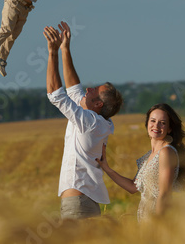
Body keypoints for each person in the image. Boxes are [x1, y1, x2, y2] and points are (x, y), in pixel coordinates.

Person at [44, 21, 123, 220]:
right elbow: (74, 90)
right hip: (84, 202)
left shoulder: (90, 122)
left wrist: (52, 53)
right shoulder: (99, 121)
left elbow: (57, 95)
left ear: (97, 105)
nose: (88, 89)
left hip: (77, 204)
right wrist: (64, 49)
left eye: (94, 91)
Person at [95, 103, 185, 222]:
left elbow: (164, 194)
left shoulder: (166, 152)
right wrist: (107, 168)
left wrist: (158, 225)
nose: (156, 125)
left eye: (163, 123)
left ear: (169, 128)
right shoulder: (148, 156)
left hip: (157, 220)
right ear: (147, 124)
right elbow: (132, 187)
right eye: (153, 121)